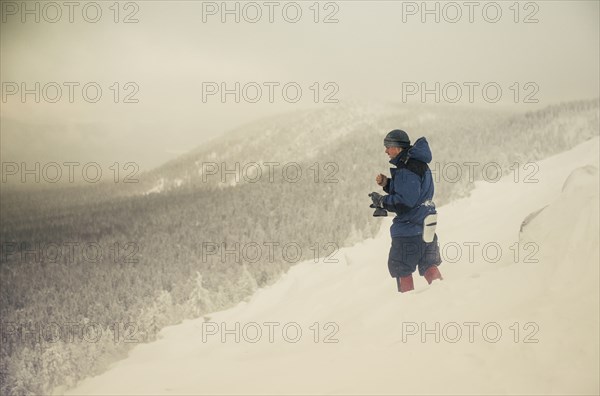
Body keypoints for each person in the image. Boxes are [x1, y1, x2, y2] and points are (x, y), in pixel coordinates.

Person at [369, 129, 443, 292]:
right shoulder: (418, 163)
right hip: (426, 226)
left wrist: (382, 201)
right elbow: (414, 193)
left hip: (410, 230)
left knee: (401, 267)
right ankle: (443, 295)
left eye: (388, 146)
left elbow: (404, 202)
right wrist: (387, 184)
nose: (386, 151)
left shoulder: (407, 168)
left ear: (397, 147)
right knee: (428, 264)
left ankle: (405, 307)